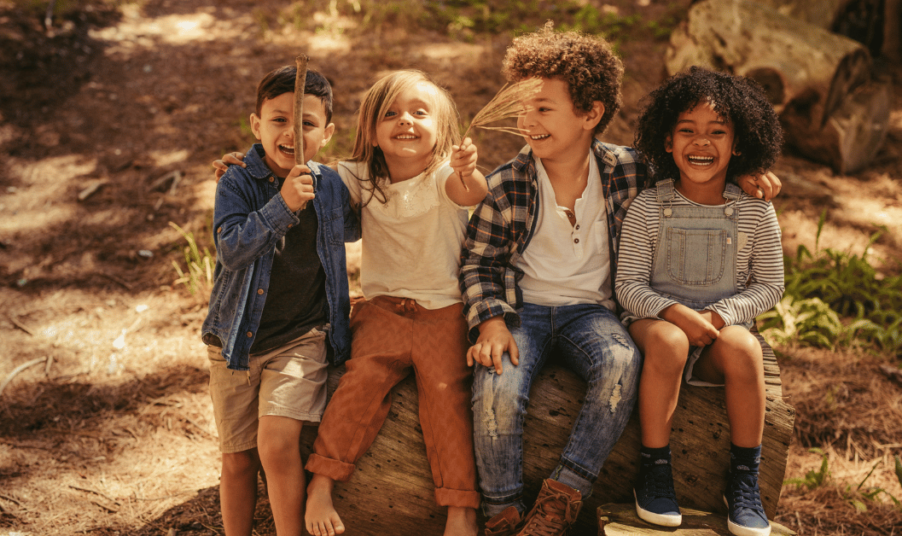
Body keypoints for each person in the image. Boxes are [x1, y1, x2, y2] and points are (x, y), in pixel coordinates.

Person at [459, 25, 782, 536]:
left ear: (590, 114)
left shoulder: (629, 171)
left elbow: (695, 166)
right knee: (497, 382)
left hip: (594, 313)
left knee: (621, 362)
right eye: (522, 108)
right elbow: (480, 264)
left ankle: (561, 498)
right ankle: (501, 510)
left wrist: (743, 176)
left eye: (543, 108)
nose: (526, 120)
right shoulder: (506, 184)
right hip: (523, 312)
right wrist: (491, 322)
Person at [215, 69, 489, 536]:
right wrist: (247, 170)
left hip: (427, 313)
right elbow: (251, 224)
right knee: (349, 393)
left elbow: (472, 192)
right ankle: (322, 485)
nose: (405, 121)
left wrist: (467, 168)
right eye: (390, 114)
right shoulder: (350, 177)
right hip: (347, 316)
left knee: (446, 398)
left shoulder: (421, 178)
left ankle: (460, 508)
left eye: (419, 113)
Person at [614, 66, 785, 536]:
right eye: (687, 131)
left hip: (717, 331)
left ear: (739, 144)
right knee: (669, 341)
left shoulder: (754, 209)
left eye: (717, 132)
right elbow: (627, 285)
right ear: (667, 142)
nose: (701, 142)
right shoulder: (649, 206)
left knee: (745, 348)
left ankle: (744, 480)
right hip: (656, 324)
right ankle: (654, 469)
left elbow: (770, 285)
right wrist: (674, 312)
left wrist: (718, 315)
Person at [201, 64, 360, 536]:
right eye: (278, 120)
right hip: (233, 341)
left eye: (307, 123)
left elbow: (361, 222)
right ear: (256, 125)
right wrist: (282, 205)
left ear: (327, 133)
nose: (292, 132)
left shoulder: (330, 184)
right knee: (236, 458)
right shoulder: (237, 182)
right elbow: (231, 249)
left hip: (301, 337)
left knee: (275, 444)